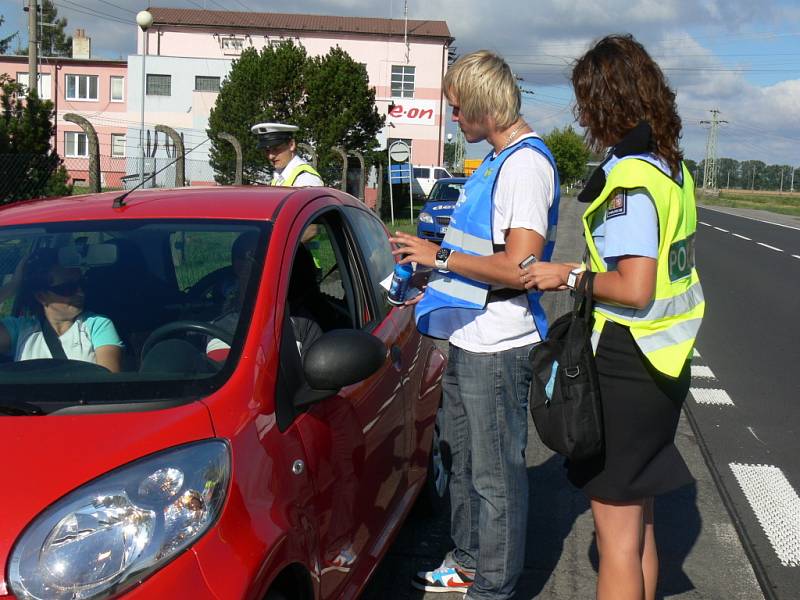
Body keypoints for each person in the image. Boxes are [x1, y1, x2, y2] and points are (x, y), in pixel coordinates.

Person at [520, 34, 705, 600]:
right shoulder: (670, 170)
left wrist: (568, 275)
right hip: (663, 363)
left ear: (604, 103)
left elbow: (634, 285)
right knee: (640, 519)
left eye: (584, 103)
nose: (581, 115)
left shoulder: (628, 181)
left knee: (616, 538)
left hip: (626, 363)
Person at [391, 50, 560, 599]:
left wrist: (437, 258)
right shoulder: (494, 159)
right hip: (470, 334)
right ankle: (467, 564)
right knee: (461, 462)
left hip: (500, 343)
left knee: (496, 477)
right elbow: (477, 254)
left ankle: (493, 587)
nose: (455, 119)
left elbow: (522, 268)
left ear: (485, 105)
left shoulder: (525, 166)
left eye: (459, 109)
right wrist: (430, 271)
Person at [0, 248, 123, 372]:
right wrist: (12, 286)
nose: (80, 293)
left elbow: (108, 381)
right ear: (41, 296)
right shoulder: (20, 330)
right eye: (68, 288)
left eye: (82, 284)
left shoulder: (97, 325)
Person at [250, 122, 324, 188]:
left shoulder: (306, 179)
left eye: (276, 149)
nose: (270, 156)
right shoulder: (280, 176)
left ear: (291, 145)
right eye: (267, 151)